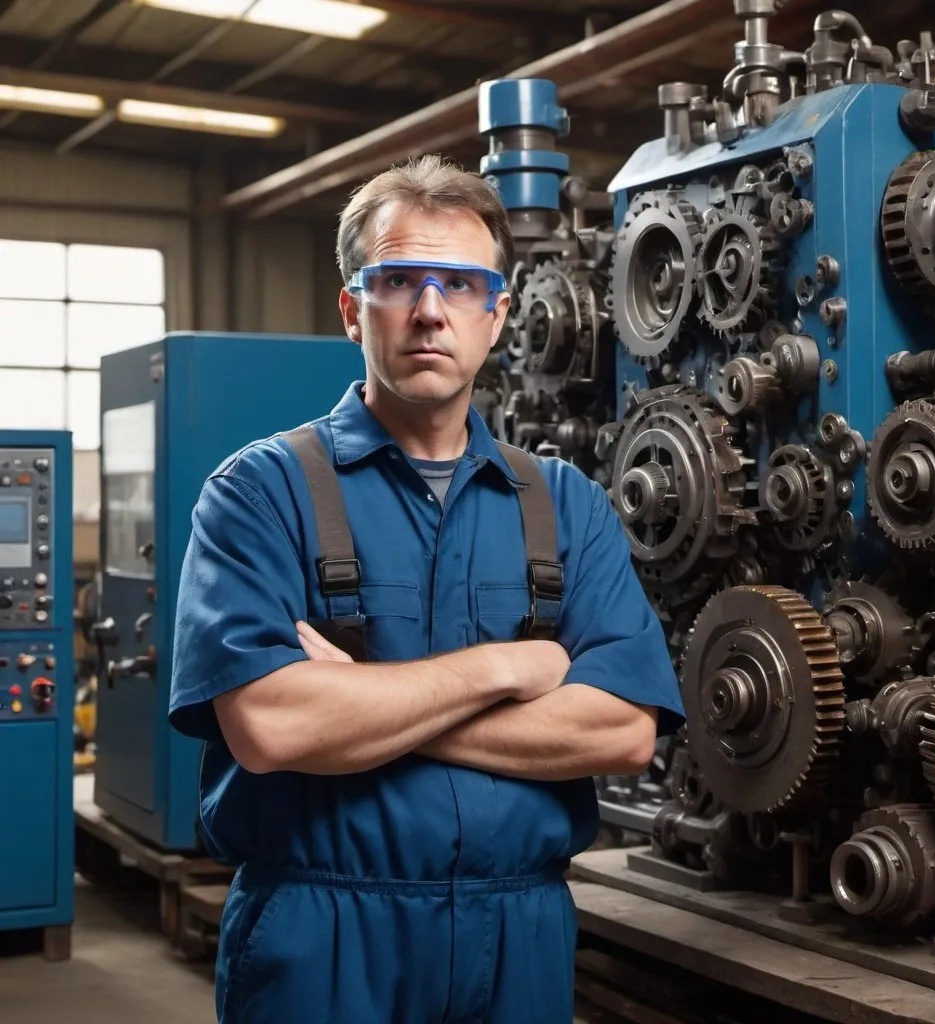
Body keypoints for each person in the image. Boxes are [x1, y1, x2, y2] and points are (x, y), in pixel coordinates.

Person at [169, 154, 684, 1024]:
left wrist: (366, 710)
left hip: (519, 935)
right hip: (321, 937)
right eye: (398, 280)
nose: (429, 311)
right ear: (351, 309)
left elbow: (625, 730)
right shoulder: (261, 492)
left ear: (499, 317)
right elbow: (270, 725)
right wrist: (506, 670)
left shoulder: (566, 507)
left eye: (460, 284)